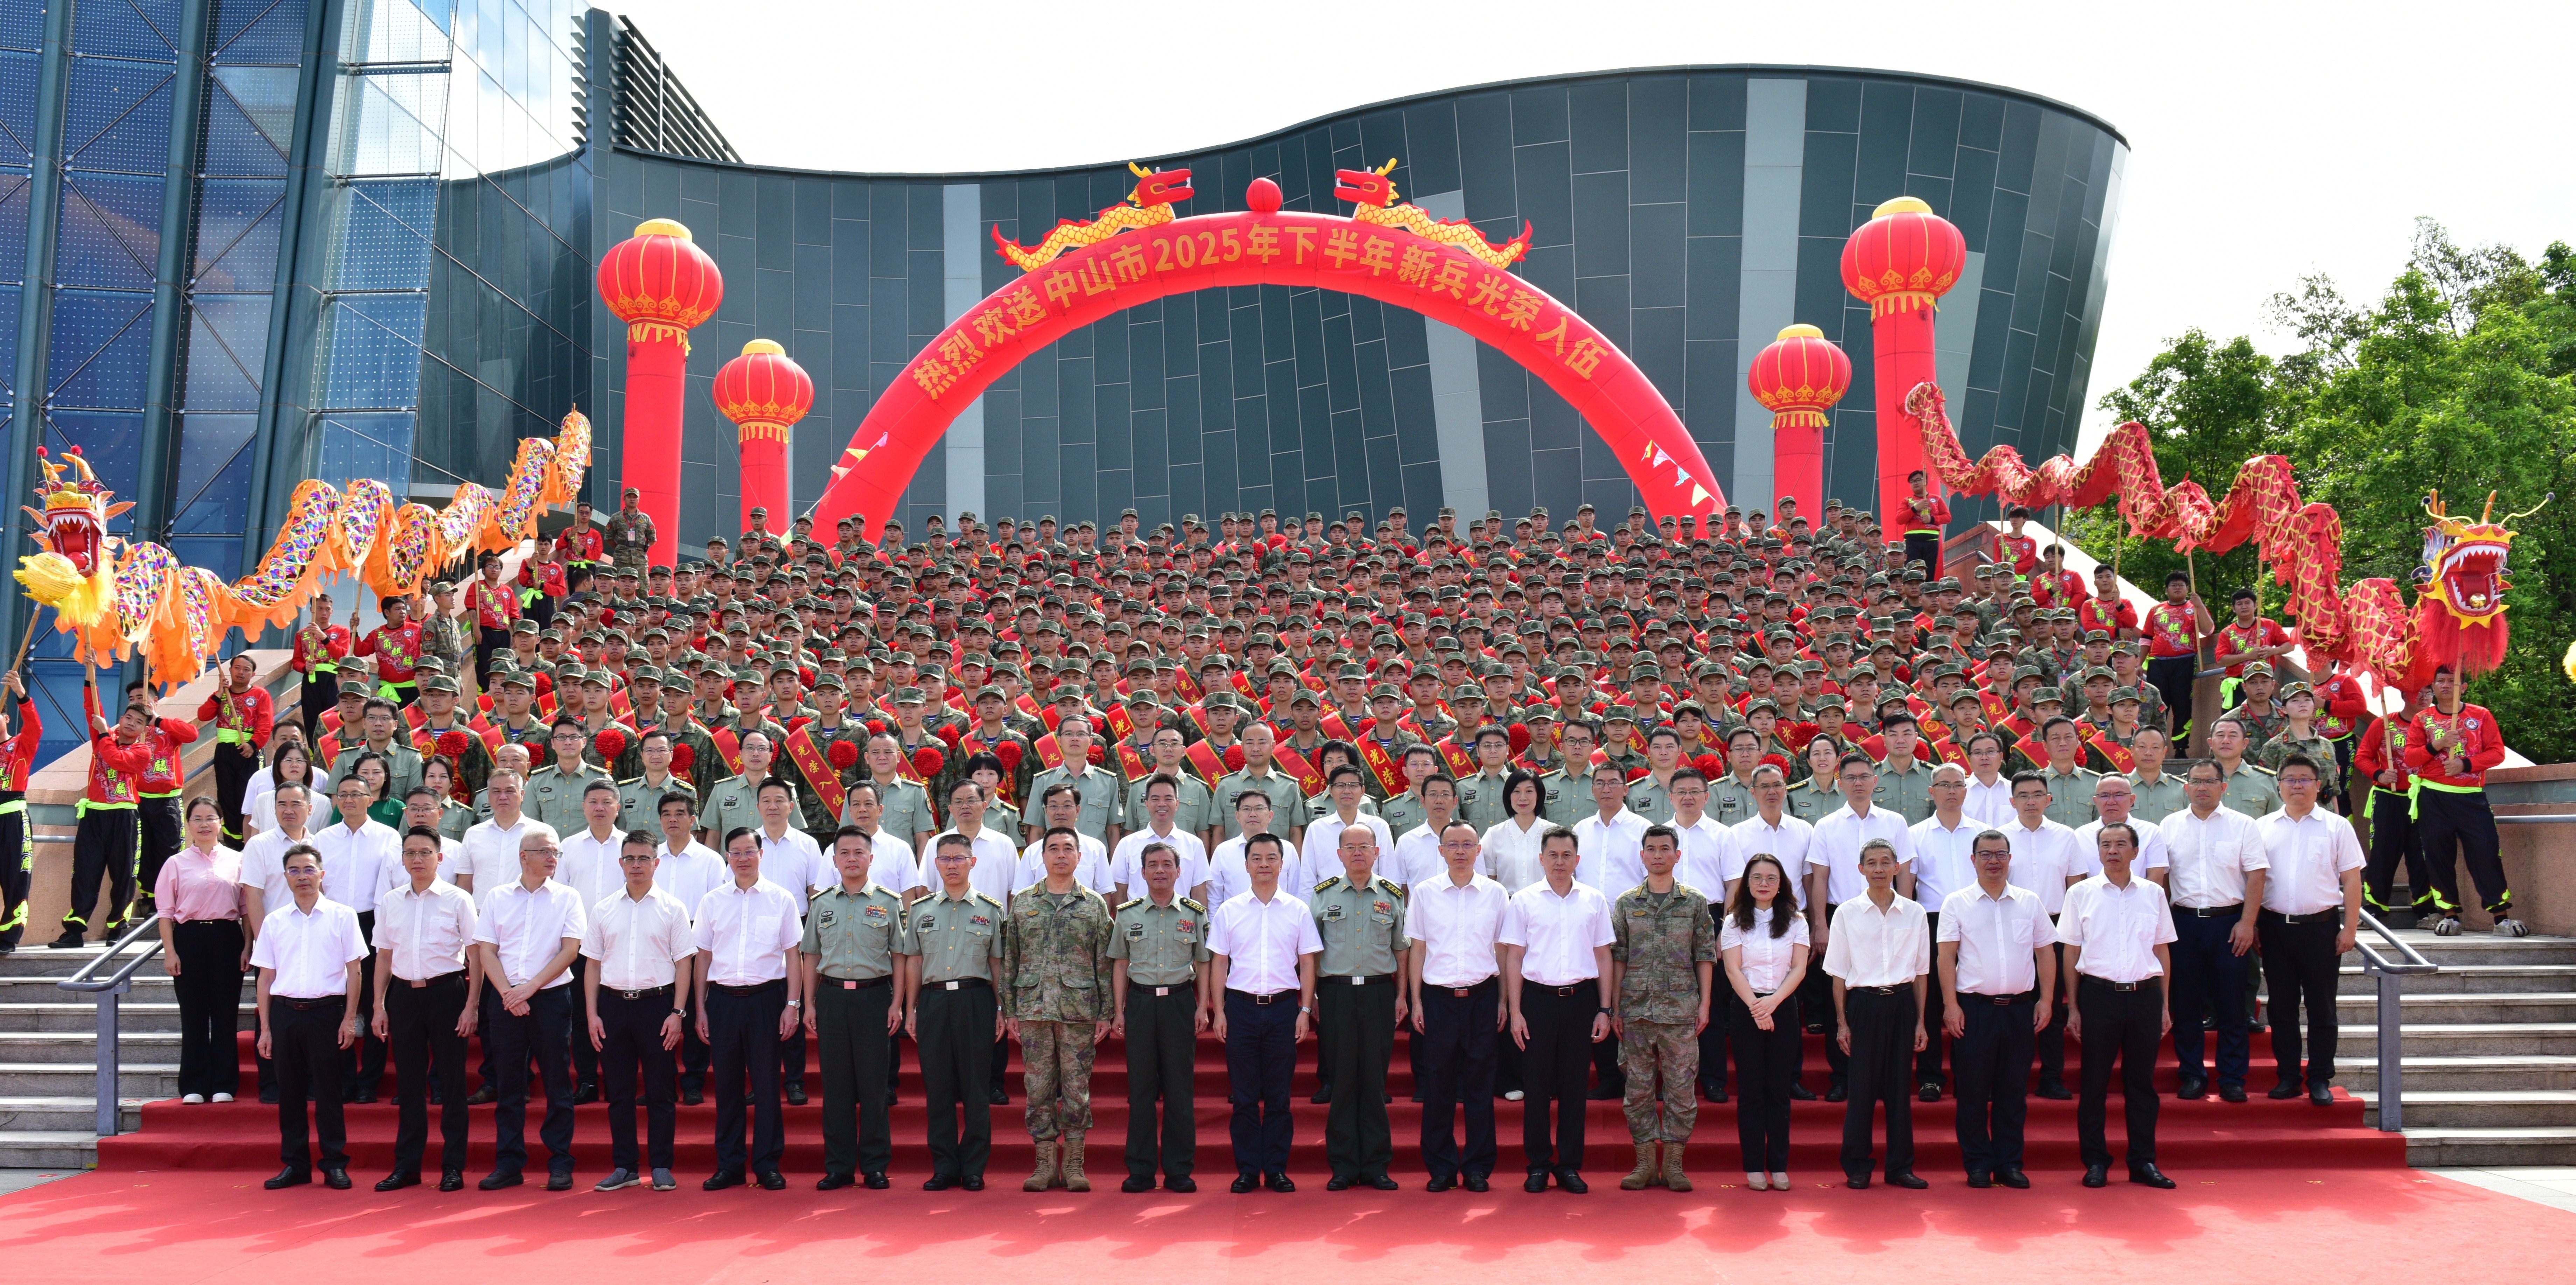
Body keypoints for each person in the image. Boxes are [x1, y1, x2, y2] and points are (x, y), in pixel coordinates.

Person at [2058, 821, 2178, 1188]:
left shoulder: (2153, 893)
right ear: (2097, 852)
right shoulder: (2080, 893)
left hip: (2145, 995)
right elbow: (2071, 952)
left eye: (2121, 844)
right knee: (2094, 1082)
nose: (2113, 850)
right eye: (2106, 844)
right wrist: (2073, 1006)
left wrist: (2164, 1004)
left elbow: (2161, 949)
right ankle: (2096, 1161)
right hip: (2099, 996)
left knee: (2142, 1083)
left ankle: (2143, 1161)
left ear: (2135, 852)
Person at [1500, 827, 1613, 1193]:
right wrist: (1515, 1010)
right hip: (1537, 1001)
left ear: (1577, 860)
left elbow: (1603, 955)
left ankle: (1569, 1166)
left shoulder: (1594, 899)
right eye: (1553, 855)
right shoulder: (1524, 900)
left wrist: (1605, 1008)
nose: (1560, 862)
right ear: (1541, 859)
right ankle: (1537, 1165)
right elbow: (1514, 957)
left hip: (1581, 1000)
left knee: (1575, 1087)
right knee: (1536, 1087)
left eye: (1567, 855)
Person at [1003, 827, 1117, 1192]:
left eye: (1068, 848)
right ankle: (1044, 1163)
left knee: (1077, 1088)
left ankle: (1074, 1163)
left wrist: (1106, 1012)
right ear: (1042, 857)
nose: (1061, 854)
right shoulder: (1023, 902)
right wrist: (1009, 1010)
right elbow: (1010, 959)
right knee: (1037, 1088)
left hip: (1078, 1011)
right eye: (1053, 848)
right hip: (1034, 1009)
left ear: (1080, 857)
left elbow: (1104, 962)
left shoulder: (1094, 904)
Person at [1936, 829, 2051, 1187]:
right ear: (1973, 860)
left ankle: (2009, 1164)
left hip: (2019, 1009)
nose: (1993, 861)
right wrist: (1951, 1005)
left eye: (2001, 853)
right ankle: (1977, 1164)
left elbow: (2046, 952)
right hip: (1975, 1010)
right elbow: (1946, 956)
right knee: (1972, 1091)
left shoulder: (2030, 901)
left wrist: (2047, 999)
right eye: (1985, 854)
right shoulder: (1956, 902)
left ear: (2010, 859)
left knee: (2013, 1091)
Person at [582, 829, 695, 1193]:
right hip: (613, 1007)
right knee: (619, 1092)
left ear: (656, 863)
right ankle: (625, 1166)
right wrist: (592, 1014)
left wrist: (678, 1012)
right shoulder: (603, 909)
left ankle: (661, 1165)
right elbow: (592, 965)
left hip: (657, 1007)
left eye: (644, 858)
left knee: (661, 1090)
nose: (636, 865)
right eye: (630, 858)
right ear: (621, 863)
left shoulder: (673, 908)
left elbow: (684, 963)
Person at [1207, 831, 1320, 1193]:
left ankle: (1275, 1169)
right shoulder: (1229, 910)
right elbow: (1219, 962)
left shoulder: (1298, 910)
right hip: (1241, 1008)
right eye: (1256, 858)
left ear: (1282, 864)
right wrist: (1220, 1011)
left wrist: (1305, 1009)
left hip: (1283, 1008)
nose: (1264, 864)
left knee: (1279, 1097)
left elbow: (1308, 962)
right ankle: (1246, 1170)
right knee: (1243, 1097)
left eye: (1272, 858)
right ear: (1246, 865)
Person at [473, 828, 586, 1191]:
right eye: (545, 851)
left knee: (557, 1082)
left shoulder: (568, 897)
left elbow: (570, 950)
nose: (553, 858)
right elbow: (487, 950)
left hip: (550, 998)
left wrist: (530, 988)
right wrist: (509, 992)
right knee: (508, 1084)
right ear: (524, 856)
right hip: (505, 999)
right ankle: (508, 1164)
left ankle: (560, 1162)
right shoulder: (497, 896)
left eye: (556, 852)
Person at [692, 826, 804, 1190]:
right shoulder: (712, 901)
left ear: (761, 854)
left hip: (767, 1000)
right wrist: (700, 1008)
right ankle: (730, 1165)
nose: (743, 858)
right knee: (727, 1087)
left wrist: (792, 1004)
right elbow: (703, 956)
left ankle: (768, 1164)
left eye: (749, 851)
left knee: (768, 1085)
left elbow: (794, 955)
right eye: (736, 852)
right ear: (727, 857)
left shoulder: (781, 899)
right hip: (723, 1001)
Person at [369, 824, 479, 1190]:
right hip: (403, 996)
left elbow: (476, 955)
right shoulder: (391, 901)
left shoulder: (458, 899)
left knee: (452, 1082)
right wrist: (378, 1005)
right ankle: (408, 1166)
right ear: (402, 859)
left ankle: (453, 1166)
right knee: (409, 1083)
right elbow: (384, 957)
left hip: (447, 993)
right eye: (410, 853)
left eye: (425, 852)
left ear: (440, 857)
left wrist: (472, 1005)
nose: (417, 859)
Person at [249, 844, 365, 1189]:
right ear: (286, 877)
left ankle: (334, 1163)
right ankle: (295, 1164)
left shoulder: (343, 915)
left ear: (322, 874)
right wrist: (265, 1028)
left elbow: (355, 971)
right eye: (295, 870)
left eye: (309, 869)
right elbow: (265, 978)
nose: (302, 876)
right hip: (285, 1013)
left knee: (329, 1092)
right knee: (290, 1094)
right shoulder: (274, 921)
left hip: (326, 1013)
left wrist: (349, 1019)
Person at [1609, 824, 1716, 1191]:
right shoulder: (1626, 903)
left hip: (1681, 1010)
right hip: (1636, 1010)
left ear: (1677, 855)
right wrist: (1615, 1006)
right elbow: (1619, 957)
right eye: (1651, 849)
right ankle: (1644, 1163)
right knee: (1637, 1091)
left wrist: (1705, 1003)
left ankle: (1673, 1164)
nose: (1658, 855)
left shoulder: (1694, 901)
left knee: (1682, 1090)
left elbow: (1704, 954)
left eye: (1665, 848)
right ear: (1642, 856)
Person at [803, 824, 909, 1190]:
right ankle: (840, 1167)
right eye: (844, 853)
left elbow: (900, 955)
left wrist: (897, 1003)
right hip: (832, 998)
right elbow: (811, 954)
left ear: (871, 858)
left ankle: (875, 1166)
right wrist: (808, 1003)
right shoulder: (822, 903)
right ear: (834, 860)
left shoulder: (889, 902)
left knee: (874, 1086)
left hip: (874, 998)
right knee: (836, 1088)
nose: (852, 859)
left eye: (859, 852)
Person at [2255, 754, 2364, 1105]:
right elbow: (2253, 880)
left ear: (2318, 785)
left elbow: (2351, 879)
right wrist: (2252, 923)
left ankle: (2319, 1078)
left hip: (2321, 929)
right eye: (2290, 779)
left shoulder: (2337, 826)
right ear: (2279, 786)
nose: (2297, 785)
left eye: (2305, 779)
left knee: (2322, 1008)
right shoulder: (2262, 827)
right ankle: (2288, 1076)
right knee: (2281, 1007)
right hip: (2274, 928)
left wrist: (2350, 927)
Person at [1405, 819, 1507, 1192]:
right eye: (1453, 844)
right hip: (1438, 999)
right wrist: (1416, 1000)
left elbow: (1503, 949)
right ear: (1441, 850)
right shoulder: (1424, 892)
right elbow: (1417, 949)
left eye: (1467, 844)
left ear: (1479, 850)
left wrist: (1504, 1000)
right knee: (1438, 1086)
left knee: (1481, 1085)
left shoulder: (1496, 893)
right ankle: (1441, 1167)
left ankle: (1478, 1167)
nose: (1460, 851)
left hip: (1482, 996)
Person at [1807, 752, 1913, 1101]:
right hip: (1842, 916)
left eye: (1864, 776)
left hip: (1888, 914)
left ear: (1875, 781)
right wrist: (1820, 925)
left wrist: (1906, 915)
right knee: (1838, 996)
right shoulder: (1826, 826)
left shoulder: (1895, 822)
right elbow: (1819, 878)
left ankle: (1884, 1077)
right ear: (1840, 783)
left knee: (1884, 995)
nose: (1858, 783)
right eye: (1850, 777)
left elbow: (1905, 873)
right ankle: (1842, 1076)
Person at [1824, 838, 1929, 1190]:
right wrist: (1842, 1023)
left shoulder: (1914, 913)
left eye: (1886, 862)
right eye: (1872, 863)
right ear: (1861, 869)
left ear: (1897, 867)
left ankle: (1900, 1167)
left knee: (1900, 1089)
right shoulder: (1846, 912)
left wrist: (1920, 1020)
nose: (1879, 869)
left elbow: (1921, 972)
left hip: (1902, 1003)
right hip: (1864, 1004)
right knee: (1862, 1089)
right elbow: (1838, 973)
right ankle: (1857, 1165)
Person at [905, 832, 1007, 1191]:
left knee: (976, 1087)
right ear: (936, 864)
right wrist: (911, 1008)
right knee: (938, 1088)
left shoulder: (991, 910)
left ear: (972, 862)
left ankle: (974, 1167)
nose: (952, 865)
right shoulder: (920, 910)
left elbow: (997, 964)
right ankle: (945, 1167)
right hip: (933, 1001)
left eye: (959, 858)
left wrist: (1001, 1007)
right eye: (945, 859)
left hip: (975, 1000)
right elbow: (914, 962)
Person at [2159, 762, 2266, 1102]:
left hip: (2229, 924)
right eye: (2196, 781)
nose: (2202, 787)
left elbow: (2257, 875)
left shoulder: (2243, 825)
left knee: (2232, 1005)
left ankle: (2232, 1078)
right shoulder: (2170, 825)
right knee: (2186, 1004)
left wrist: (2247, 922)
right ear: (2186, 787)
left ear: (2224, 787)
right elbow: (2162, 879)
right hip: (2184, 924)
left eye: (2210, 781)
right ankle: (2192, 1074)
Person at [1310, 824, 1409, 1190]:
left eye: (1364, 846)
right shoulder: (1322, 895)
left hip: (1378, 993)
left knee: (1374, 1081)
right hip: (1335, 994)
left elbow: (1401, 950)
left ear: (1376, 851)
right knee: (1341, 1080)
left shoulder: (1392, 895)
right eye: (1350, 847)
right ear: (1339, 854)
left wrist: (1402, 996)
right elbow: (1310, 951)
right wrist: (1311, 999)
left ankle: (1377, 1165)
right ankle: (1343, 1165)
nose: (1357, 853)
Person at [1108, 841, 1210, 1193]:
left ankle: (1179, 1170)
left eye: (1167, 864)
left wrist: (1203, 1005)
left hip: (1180, 1002)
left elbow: (1204, 962)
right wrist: (1119, 1010)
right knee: (1141, 1090)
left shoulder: (1194, 913)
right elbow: (1120, 963)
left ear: (1179, 871)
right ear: (1143, 872)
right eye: (1153, 865)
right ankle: (1141, 1170)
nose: (1160, 870)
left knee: (1180, 1090)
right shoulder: (1128, 913)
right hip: (1140, 1002)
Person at [2404, 665, 2517, 935]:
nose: (2446, 685)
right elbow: (2411, 758)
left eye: (2452, 681)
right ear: (2433, 686)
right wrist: (2439, 744)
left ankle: (2501, 918)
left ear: (2464, 688)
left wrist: (2465, 764)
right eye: (2440, 681)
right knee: (2438, 856)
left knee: (2486, 853)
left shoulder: (2481, 715)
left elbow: (2497, 752)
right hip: (2433, 796)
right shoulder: (2423, 719)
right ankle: (2450, 915)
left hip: (2471, 796)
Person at [1721, 853, 1808, 1191]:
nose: (1764, 884)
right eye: (1757, 878)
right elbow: (1733, 969)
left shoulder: (1796, 920)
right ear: (1747, 883)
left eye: (1772, 878)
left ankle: (1779, 1166)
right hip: (1746, 1007)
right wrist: (1758, 1008)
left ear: (1781, 883)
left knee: (1779, 1090)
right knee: (1751, 1091)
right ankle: (1754, 1166)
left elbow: (1799, 968)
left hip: (1783, 1005)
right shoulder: (1734, 921)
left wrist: (1773, 1002)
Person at [154, 797, 245, 1105]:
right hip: (189, 938)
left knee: (225, 1013)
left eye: (211, 818)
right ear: (189, 824)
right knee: (192, 1013)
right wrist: (170, 952)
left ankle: (224, 1083)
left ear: (221, 822)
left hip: (227, 937)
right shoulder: (175, 863)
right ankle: (193, 1083)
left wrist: (248, 946)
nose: (204, 824)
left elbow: (247, 909)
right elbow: (165, 913)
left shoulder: (237, 860)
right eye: (197, 818)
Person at [315, 774, 400, 1102]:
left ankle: (369, 1082)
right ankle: (344, 1079)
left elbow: (394, 884)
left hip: (373, 921)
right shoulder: (323, 838)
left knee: (375, 1000)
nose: (349, 800)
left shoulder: (388, 836)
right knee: (337, 1000)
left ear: (370, 800)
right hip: (333, 923)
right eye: (343, 795)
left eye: (356, 794)